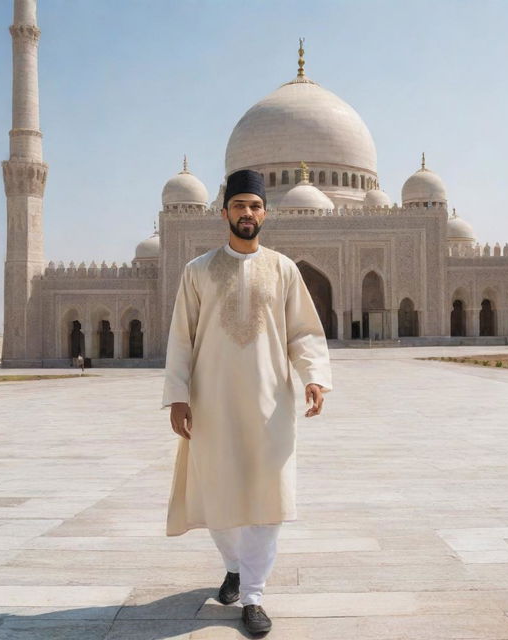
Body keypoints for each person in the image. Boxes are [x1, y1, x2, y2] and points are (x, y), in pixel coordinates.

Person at [161, 169, 332, 635]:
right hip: (211, 401)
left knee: (266, 496)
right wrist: (177, 396)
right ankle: (235, 566)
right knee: (218, 491)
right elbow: (181, 338)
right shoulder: (196, 272)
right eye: (239, 205)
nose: (247, 213)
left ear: (265, 213)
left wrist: (314, 376)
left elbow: (303, 331)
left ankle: (254, 596)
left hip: (269, 402)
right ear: (225, 212)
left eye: (255, 206)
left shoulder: (284, 269)